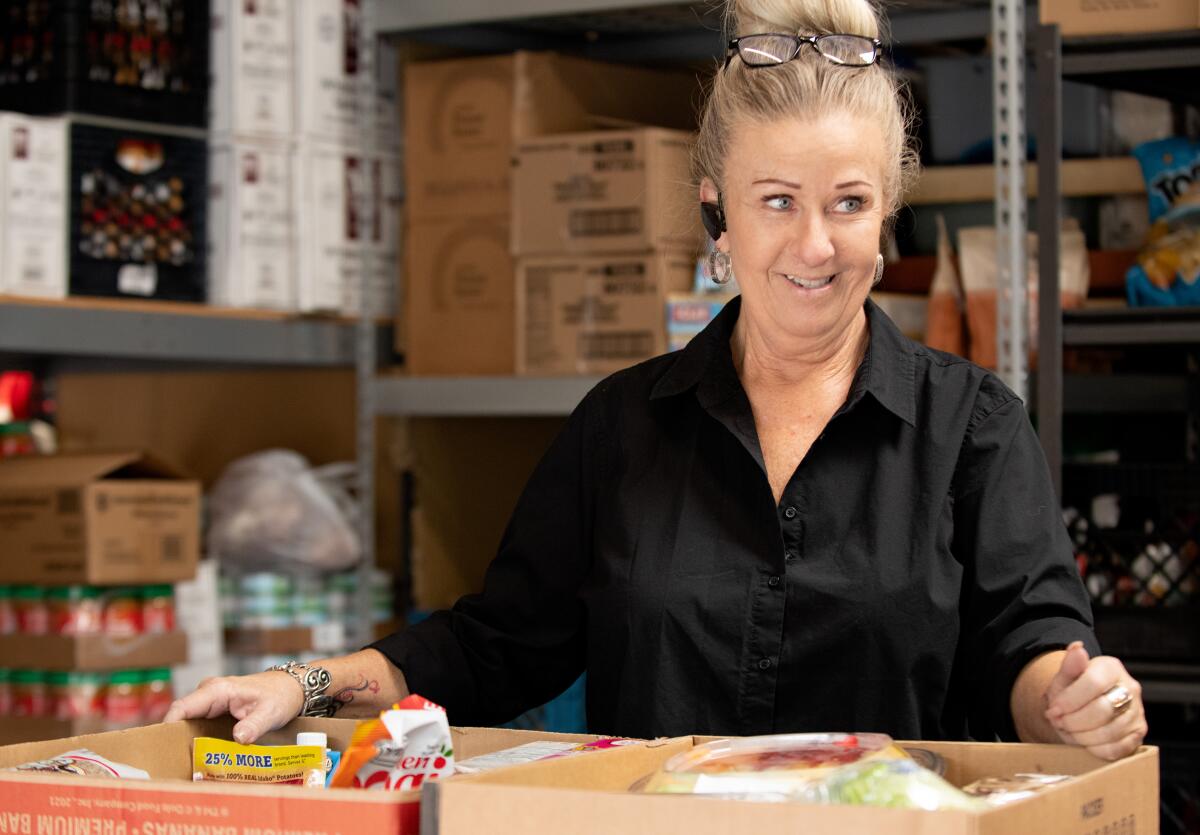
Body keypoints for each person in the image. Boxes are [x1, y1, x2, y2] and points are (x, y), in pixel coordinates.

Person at [167, 0, 1147, 761]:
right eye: (778, 201)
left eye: (850, 203)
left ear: (887, 210)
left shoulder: (971, 428)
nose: (817, 244)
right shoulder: (624, 427)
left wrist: (1071, 705)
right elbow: (495, 645)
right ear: (719, 214)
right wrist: (302, 683)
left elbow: (1031, 647)